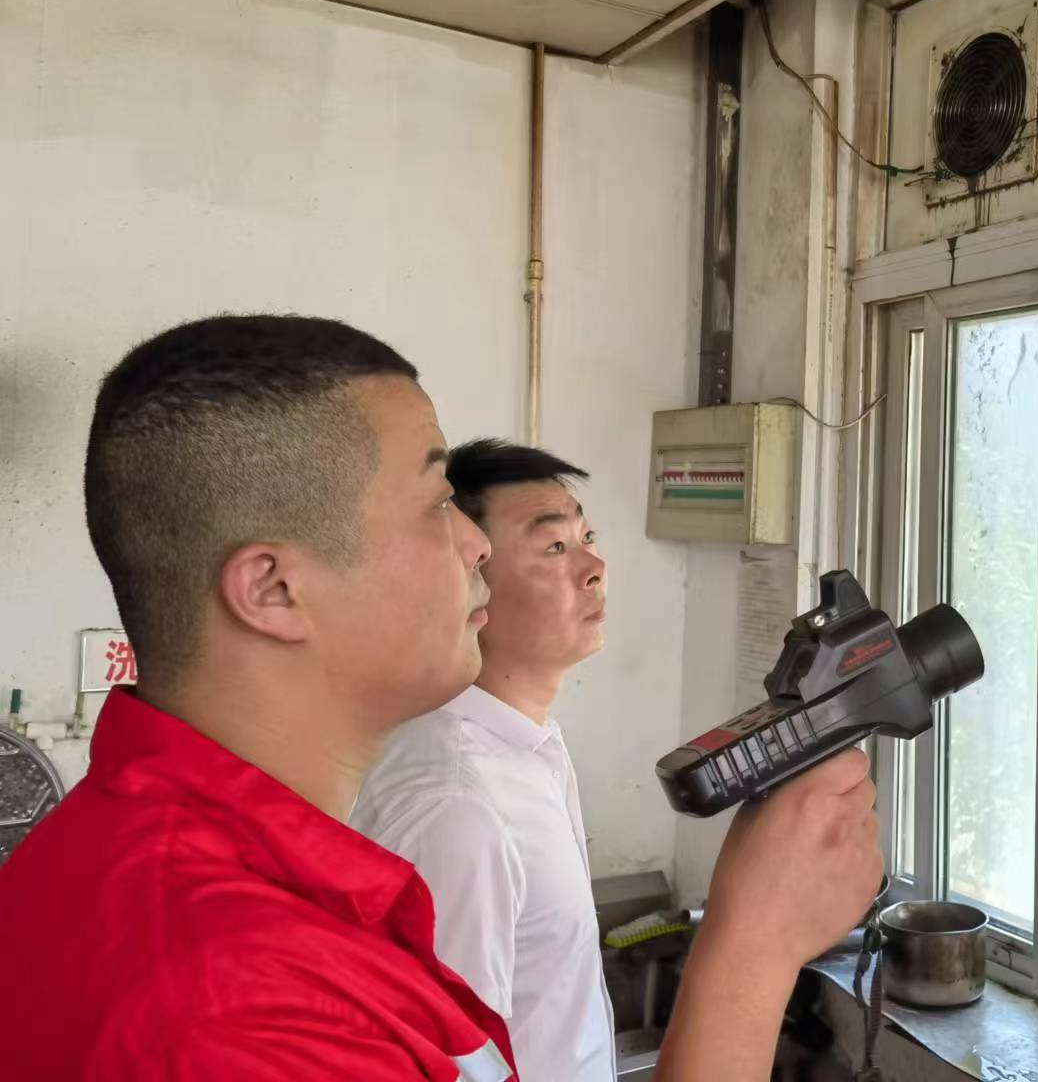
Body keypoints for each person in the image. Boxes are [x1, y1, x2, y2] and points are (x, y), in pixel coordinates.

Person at [0, 315, 883, 1081]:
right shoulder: (239, 1007)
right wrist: (751, 946)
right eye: (433, 502)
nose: (474, 546)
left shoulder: (151, 867)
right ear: (273, 589)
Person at [351, 439, 619, 1081]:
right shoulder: (460, 806)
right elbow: (452, 1066)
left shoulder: (528, 750)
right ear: (469, 577)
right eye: (554, 547)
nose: (594, 567)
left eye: (587, 536)